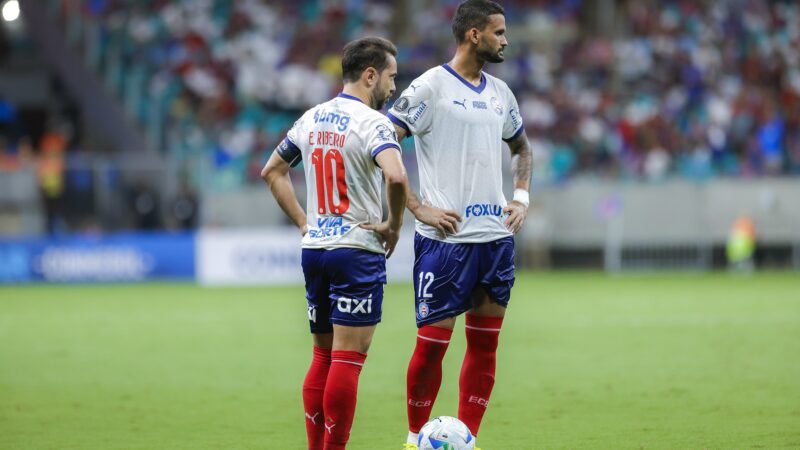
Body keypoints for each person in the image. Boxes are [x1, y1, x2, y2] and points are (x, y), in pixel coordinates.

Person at [386, 1, 533, 447]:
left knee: (485, 347)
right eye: (499, 32)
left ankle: (467, 440)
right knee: (432, 347)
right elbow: (384, 141)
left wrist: (521, 197)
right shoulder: (430, 87)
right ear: (473, 34)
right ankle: (415, 439)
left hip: (494, 240)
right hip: (445, 242)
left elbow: (522, 148)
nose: (506, 40)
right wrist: (416, 205)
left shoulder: (501, 93)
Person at [261, 37, 408, 450]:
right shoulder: (374, 123)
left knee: (322, 357)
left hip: (316, 251)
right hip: (356, 249)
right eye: (391, 78)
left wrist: (305, 224)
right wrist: (393, 225)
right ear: (370, 75)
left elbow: (272, 171)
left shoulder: (311, 118)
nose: (393, 88)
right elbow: (396, 176)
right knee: (347, 360)